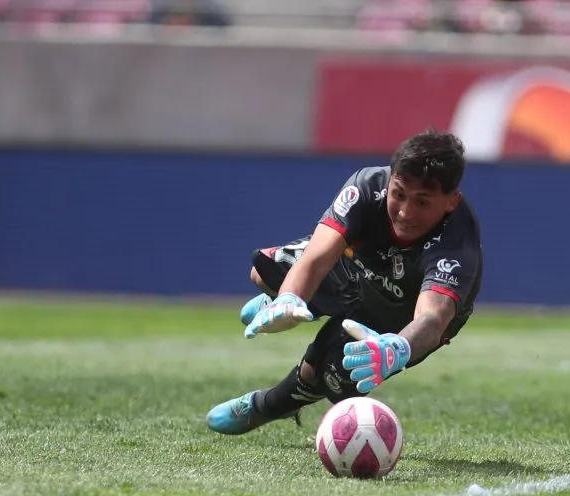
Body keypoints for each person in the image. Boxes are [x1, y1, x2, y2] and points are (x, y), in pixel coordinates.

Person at [207, 130, 483, 435]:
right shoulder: (366, 187)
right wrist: (289, 298)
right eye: (399, 194)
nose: (405, 212)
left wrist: (398, 348)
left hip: (401, 309)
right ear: (390, 178)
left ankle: (264, 406)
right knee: (266, 272)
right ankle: (300, 304)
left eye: (422, 202)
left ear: (450, 202)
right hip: (355, 268)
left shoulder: (457, 240)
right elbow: (316, 259)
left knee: (327, 376)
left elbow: (432, 317)